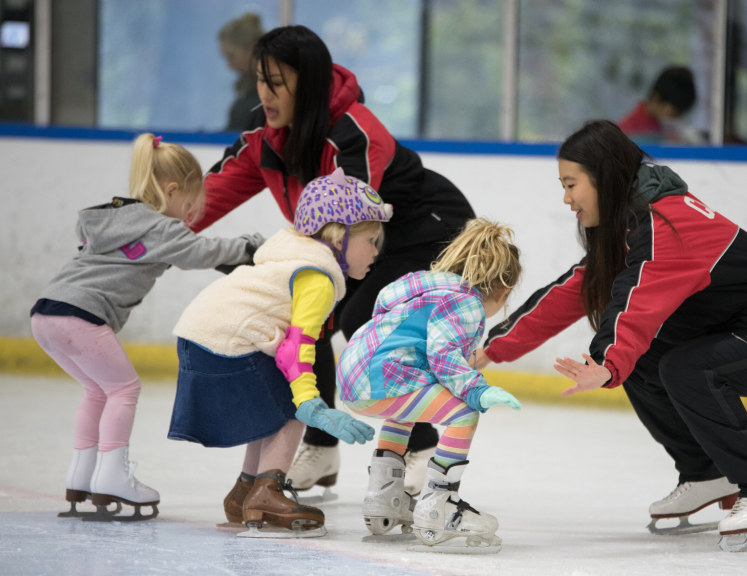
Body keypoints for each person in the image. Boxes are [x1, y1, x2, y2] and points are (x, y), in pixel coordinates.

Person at [473, 120, 747, 552]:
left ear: (604, 176)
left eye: (572, 184)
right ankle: (705, 472)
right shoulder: (632, 224)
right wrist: (493, 347)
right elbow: (575, 289)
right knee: (650, 360)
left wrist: (607, 363)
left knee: (687, 368)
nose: (566, 198)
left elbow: (635, 304)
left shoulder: (666, 223)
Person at [194, 25, 476, 499]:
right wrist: (130, 229)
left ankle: (422, 448)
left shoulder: (356, 133)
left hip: (427, 228)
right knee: (308, 309)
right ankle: (322, 447)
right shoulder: (263, 141)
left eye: (277, 81)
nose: (265, 93)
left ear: (308, 81)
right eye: (260, 80)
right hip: (357, 240)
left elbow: (348, 220)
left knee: (358, 314)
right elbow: (198, 202)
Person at [30, 134, 263, 522]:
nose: (188, 217)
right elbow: (202, 253)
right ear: (171, 190)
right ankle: (111, 477)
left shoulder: (112, 218)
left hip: (45, 314)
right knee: (124, 388)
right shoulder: (159, 228)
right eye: (188, 206)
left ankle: (81, 475)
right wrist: (250, 245)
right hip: (81, 315)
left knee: (96, 389)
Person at [170, 168, 386, 536]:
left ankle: (245, 491)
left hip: (198, 338)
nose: (378, 252)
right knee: (290, 405)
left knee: (272, 404)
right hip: (228, 342)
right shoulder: (318, 276)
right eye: (372, 240)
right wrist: (310, 402)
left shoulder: (289, 255)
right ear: (339, 235)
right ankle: (268, 491)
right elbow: (298, 350)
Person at [337, 218, 522, 551]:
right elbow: (444, 355)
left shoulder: (422, 289)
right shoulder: (466, 303)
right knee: (464, 413)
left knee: (408, 407)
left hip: (354, 372)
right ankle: (441, 504)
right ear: (504, 292)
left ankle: (383, 495)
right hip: (382, 376)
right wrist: (477, 391)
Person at [616, 66, 697, 143]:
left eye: (681, 115)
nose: (676, 120)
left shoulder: (665, 130)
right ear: (656, 98)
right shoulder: (626, 131)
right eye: (674, 114)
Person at [218, 13, 263, 131]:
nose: (229, 65)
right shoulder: (247, 91)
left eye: (231, 56)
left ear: (252, 46)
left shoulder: (262, 98)